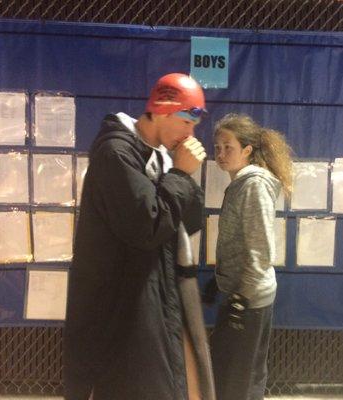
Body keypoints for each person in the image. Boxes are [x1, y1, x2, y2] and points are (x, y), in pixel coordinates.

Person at [63, 73, 214, 400]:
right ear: (161, 111)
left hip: (155, 295)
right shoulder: (116, 153)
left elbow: (190, 220)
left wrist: (180, 174)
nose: (191, 134)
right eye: (185, 122)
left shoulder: (159, 156)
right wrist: (178, 175)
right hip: (122, 307)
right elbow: (148, 226)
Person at [208, 113, 293, 400]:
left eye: (228, 147)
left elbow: (260, 249)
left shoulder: (253, 185)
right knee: (241, 373)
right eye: (217, 147)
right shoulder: (241, 184)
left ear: (247, 150)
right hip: (244, 293)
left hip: (250, 299)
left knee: (239, 378)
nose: (220, 154)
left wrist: (241, 298)